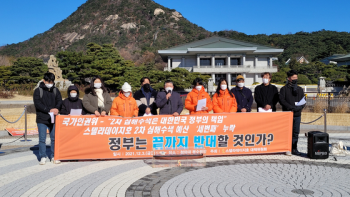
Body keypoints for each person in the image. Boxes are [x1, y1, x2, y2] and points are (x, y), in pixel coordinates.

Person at [33, 72, 62, 165]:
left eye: (52, 81)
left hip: (53, 118)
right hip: (42, 118)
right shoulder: (38, 91)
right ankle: (43, 156)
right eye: (48, 81)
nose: (50, 83)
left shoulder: (55, 90)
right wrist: (49, 110)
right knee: (42, 139)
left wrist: (56, 109)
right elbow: (37, 104)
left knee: (54, 138)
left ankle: (54, 156)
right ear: (44, 80)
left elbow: (59, 101)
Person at [279, 70, 305, 155]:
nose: (295, 79)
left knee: (295, 132)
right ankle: (287, 148)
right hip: (287, 114)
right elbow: (282, 100)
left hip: (297, 114)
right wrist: (291, 107)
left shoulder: (300, 89)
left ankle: (294, 148)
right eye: (293, 77)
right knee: (287, 132)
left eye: (296, 77)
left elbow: (303, 100)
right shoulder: (284, 89)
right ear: (289, 78)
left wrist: (299, 108)